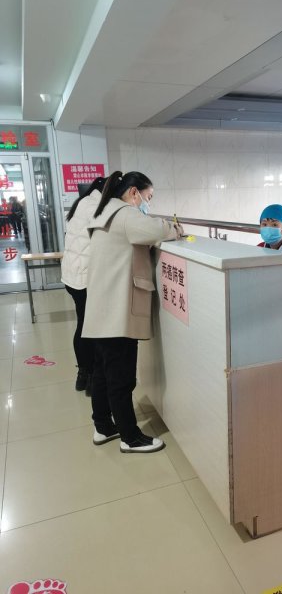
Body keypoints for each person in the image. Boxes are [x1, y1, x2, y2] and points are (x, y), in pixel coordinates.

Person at [82, 171, 182, 453]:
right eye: (148, 197)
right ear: (134, 192)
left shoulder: (105, 213)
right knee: (121, 378)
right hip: (117, 310)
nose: (147, 204)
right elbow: (157, 230)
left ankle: (103, 426)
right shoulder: (125, 214)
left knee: (103, 373)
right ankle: (130, 437)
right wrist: (175, 228)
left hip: (101, 307)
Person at [61, 177, 107, 395]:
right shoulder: (97, 206)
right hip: (84, 277)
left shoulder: (81, 202)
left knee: (82, 323)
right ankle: (92, 377)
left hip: (72, 276)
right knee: (91, 328)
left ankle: (83, 374)